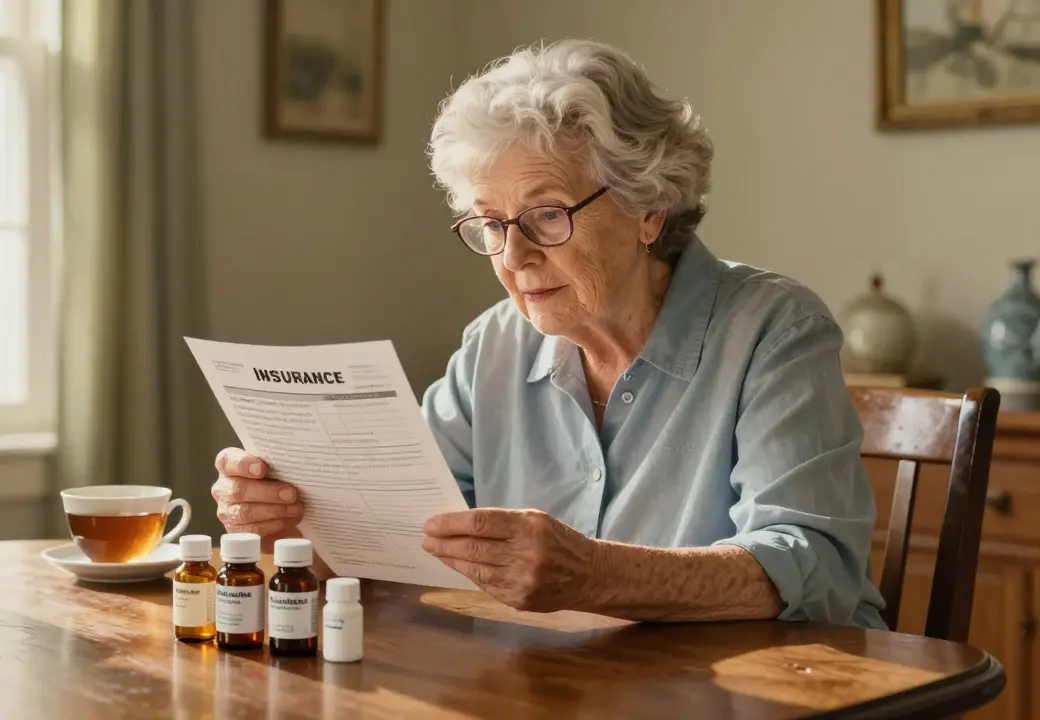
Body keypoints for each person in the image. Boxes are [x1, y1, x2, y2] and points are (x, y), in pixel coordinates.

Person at [211, 39, 886, 628]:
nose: (513, 257)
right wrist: (288, 528)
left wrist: (595, 575)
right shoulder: (493, 346)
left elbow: (815, 566)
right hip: (570, 688)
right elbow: (403, 542)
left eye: (546, 215)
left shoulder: (774, 329)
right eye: (491, 223)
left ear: (648, 207)